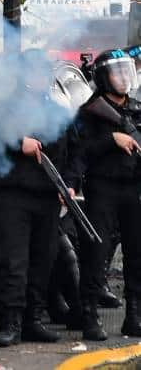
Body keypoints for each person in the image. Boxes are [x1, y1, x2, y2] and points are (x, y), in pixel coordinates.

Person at [0, 56, 74, 347]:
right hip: (12, 195)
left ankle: (33, 320)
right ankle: (10, 322)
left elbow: (70, 153)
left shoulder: (56, 111)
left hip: (47, 197)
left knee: (43, 259)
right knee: (13, 261)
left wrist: (69, 185)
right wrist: (17, 141)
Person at [69, 49, 141, 340]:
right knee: (95, 253)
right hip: (102, 188)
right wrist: (111, 139)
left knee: (136, 253)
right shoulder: (90, 111)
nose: (123, 78)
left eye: (126, 71)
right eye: (116, 72)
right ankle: (89, 315)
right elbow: (79, 153)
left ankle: (133, 315)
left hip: (134, 188)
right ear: (102, 77)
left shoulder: (136, 109)